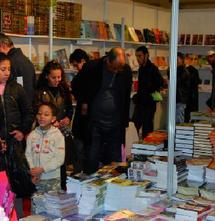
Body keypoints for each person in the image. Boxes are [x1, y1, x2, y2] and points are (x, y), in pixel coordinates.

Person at [78, 47, 132, 174]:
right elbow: (78, 86)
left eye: (119, 69)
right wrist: (84, 102)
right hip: (95, 122)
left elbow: (126, 97)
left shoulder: (125, 71)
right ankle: (89, 184)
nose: (116, 71)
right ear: (108, 60)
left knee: (115, 160)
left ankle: (114, 185)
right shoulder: (92, 68)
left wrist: (124, 120)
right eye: (114, 68)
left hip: (115, 123)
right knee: (92, 156)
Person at [0, 52, 34, 218]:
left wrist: (23, 130)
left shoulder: (16, 88)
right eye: (2, 69)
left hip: (14, 143)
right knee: (1, 182)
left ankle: (18, 216)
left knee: (17, 181)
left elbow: (28, 112)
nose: (7, 72)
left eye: (8, 69)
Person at [35, 60, 73, 190]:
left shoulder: (64, 89)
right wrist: (51, 121)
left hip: (61, 132)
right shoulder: (40, 91)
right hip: (46, 133)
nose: (57, 80)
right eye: (53, 77)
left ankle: (62, 188)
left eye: (59, 77)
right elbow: (37, 111)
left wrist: (68, 118)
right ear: (46, 76)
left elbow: (69, 107)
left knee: (62, 162)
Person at [25, 102, 65, 194]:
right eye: (39, 114)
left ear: (53, 118)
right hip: (35, 178)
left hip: (52, 179)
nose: (42, 116)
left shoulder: (58, 135)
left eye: (46, 114)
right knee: (36, 205)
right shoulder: (32, 135)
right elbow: (28, 155)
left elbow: (59, 159)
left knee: (51, 205)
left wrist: (43, 169)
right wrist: (32, 170)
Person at [133, 46, 163, 139]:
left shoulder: (153, 68)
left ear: (146, 55)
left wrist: (150, 92)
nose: (138, 59)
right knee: (134, 126)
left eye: (140, 56)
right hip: (140, 103)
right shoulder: (141, 69)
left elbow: (160, 83)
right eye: (136, 56)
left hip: (149, 105)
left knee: (147, 129)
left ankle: (147, 151)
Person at [0, 33, 36, 104]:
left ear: (3, 45)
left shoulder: (10, 62)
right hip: (29, 104)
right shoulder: (25, 60)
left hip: (18, 107)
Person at [69, 49, 90, 173]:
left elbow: (75, 88)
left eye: (76, 65)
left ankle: (79, 172)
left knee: (80, 149)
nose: (76, 68)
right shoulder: (91, 74)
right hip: (85, 120)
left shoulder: (84, 75)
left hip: (83, 120)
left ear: (83, 61)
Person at [175, 52, 191, 123]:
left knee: (179, 121)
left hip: (180, 99)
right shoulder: (176, 70)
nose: (176, 61)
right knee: (176, 119)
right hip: (178, 99)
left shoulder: (183, 71)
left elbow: (180, 84)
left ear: (182, 60)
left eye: (177, 59)